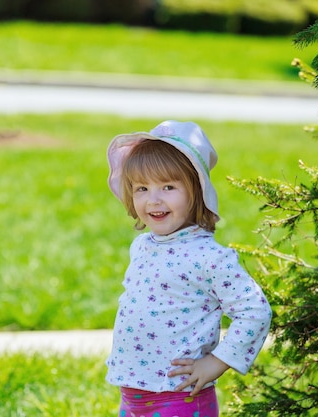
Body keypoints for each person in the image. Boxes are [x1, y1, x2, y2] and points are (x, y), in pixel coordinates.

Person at [105, 120, 272, 417]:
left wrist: (217, 362)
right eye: (142, 188)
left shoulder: (210, 257)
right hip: (133, 394)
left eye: (168, 187)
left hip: (180, 398)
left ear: (196, 191)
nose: (153, 199)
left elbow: (255, 310)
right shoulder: (141, 247)